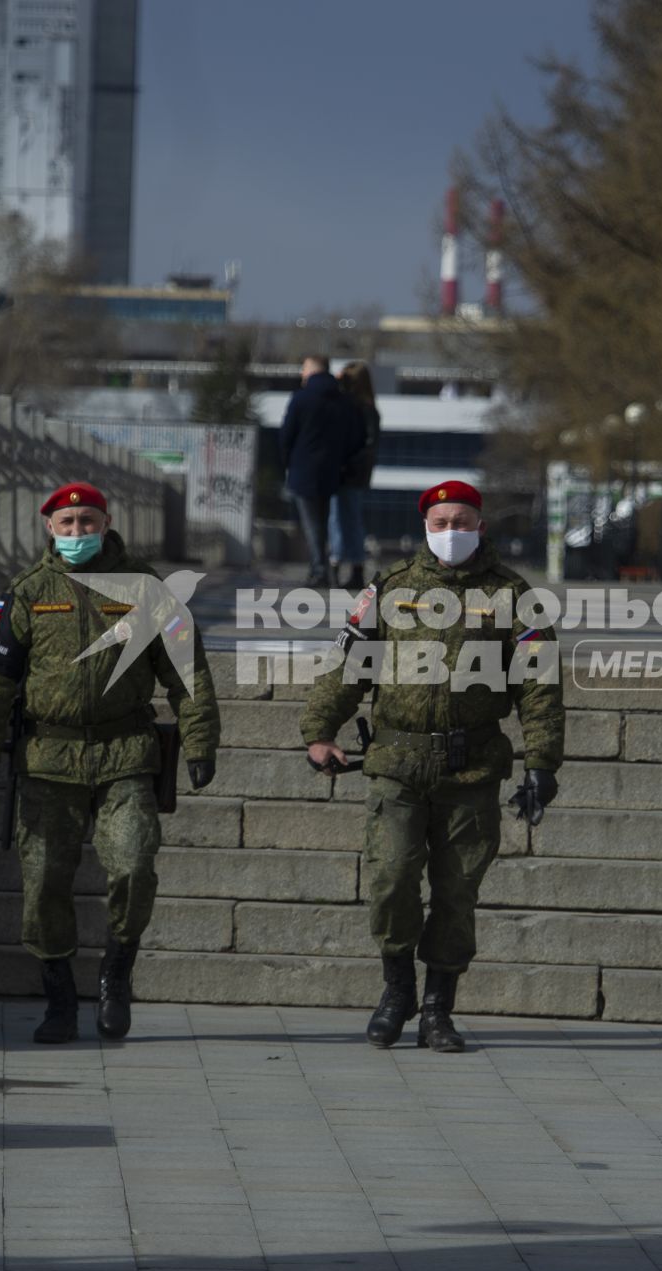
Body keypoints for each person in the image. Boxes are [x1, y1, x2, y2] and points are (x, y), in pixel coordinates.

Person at [300, 481, 565, 1052]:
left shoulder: (515, 597)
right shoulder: (390, 588)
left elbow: (540, 687)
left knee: (456, 893)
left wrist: (542, 762)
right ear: (425, 526)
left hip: (470, 769)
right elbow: (348, 663)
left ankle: (438, 1009)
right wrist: (319, 731)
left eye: (463, 520)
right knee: (392, 878)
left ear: (482, 526)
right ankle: (397, 991)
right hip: (397, 762)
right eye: (442, 521)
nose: (452, 531)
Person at [0, 481, 221, 1045]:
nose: (78, 532)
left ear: (106, 525)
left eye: (88, 522)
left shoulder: (147, 589)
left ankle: (116, 974)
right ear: (50, 530)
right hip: (47, 759)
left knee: (133, 864)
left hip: (124, 753)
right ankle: (59, 997)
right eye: (67, 524)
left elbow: (187, 671)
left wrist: (200, 743)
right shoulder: (27, 593)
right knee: (44, 883)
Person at [278, 355, 365, 587]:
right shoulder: (344, 401)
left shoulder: (301, 398)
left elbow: (286, 435)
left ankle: (319, 570)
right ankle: (324, 568)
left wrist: (287, 463)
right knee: (325, 521)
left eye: (304, 369)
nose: (301, 374)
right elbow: (355, 437)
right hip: (332, 472)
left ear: (311, 371)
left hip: (303, 471)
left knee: (312, 524)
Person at [328, 362, 381, 591]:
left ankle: (344, 564)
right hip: (352, 471)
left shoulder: (363, 409)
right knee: (343, 518)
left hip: (352, 472)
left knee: (343, 518)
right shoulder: (357, 407)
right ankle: (348, 565)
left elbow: (369, 444)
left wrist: (348, 463)